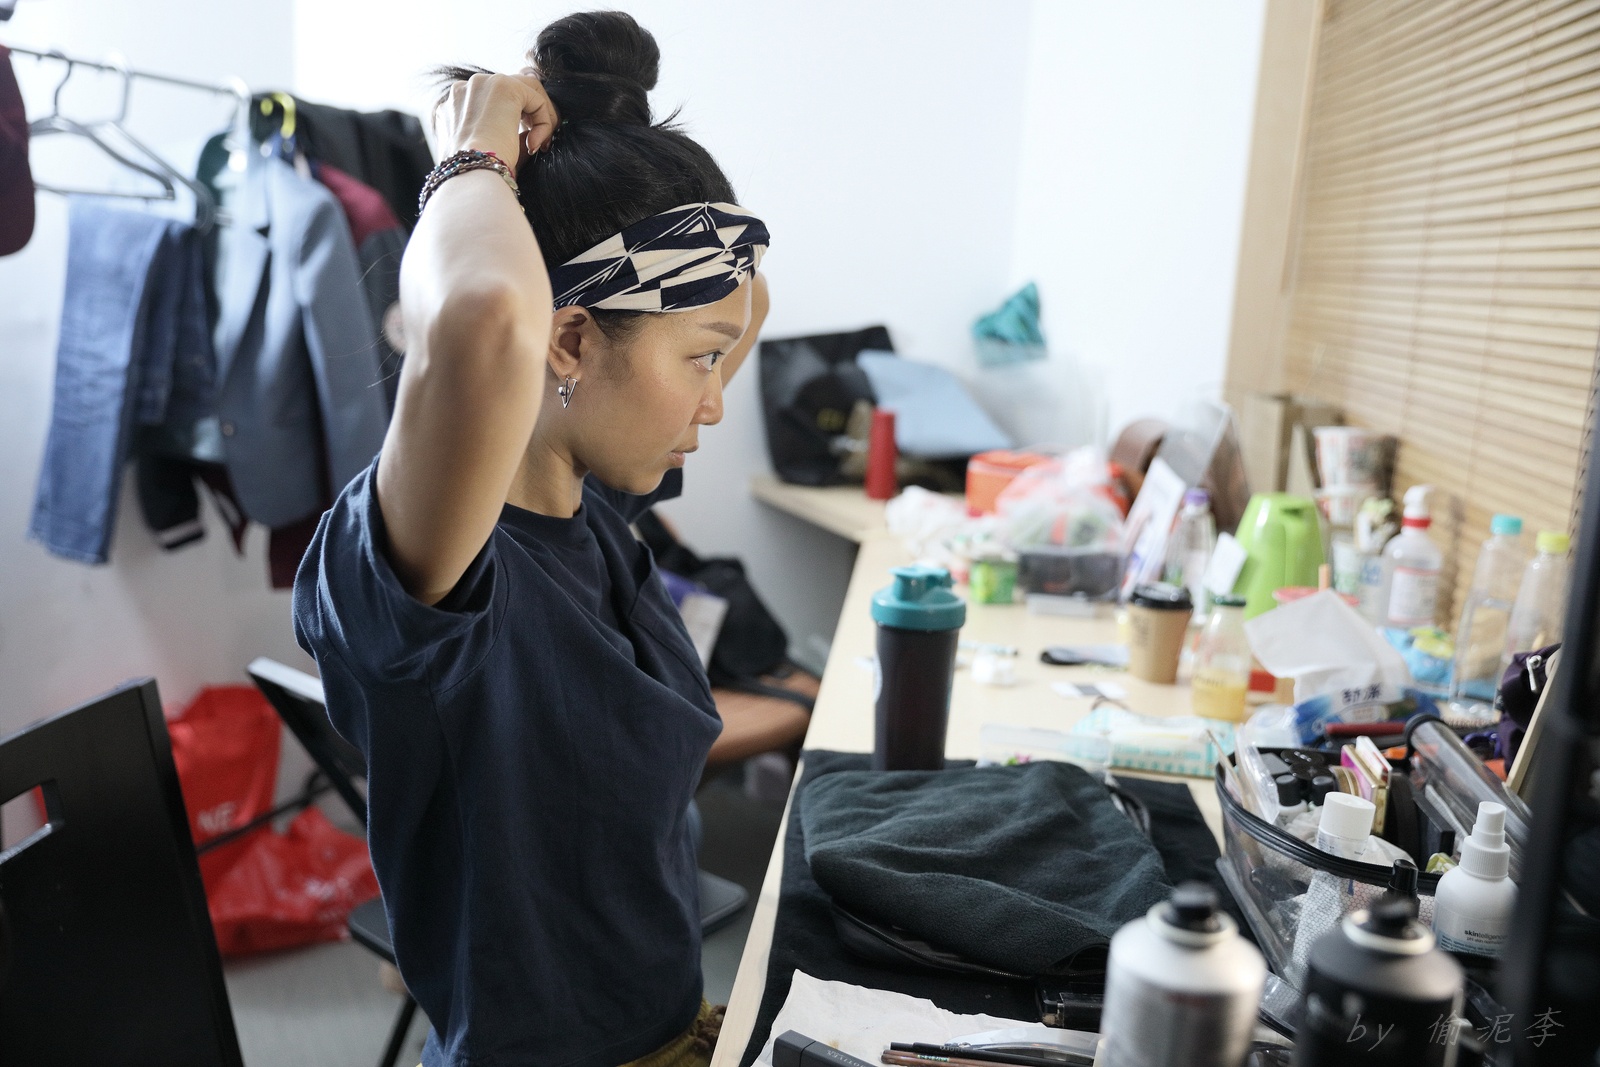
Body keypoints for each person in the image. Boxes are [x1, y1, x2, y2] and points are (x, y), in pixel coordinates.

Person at [292, 11, 770, 1067]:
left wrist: (606, 135)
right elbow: (483, 317)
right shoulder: (433, 577)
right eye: (701, 359)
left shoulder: (587, 509)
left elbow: (746, 298)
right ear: (568, 339)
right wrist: (473, 147)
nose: (715, 400)